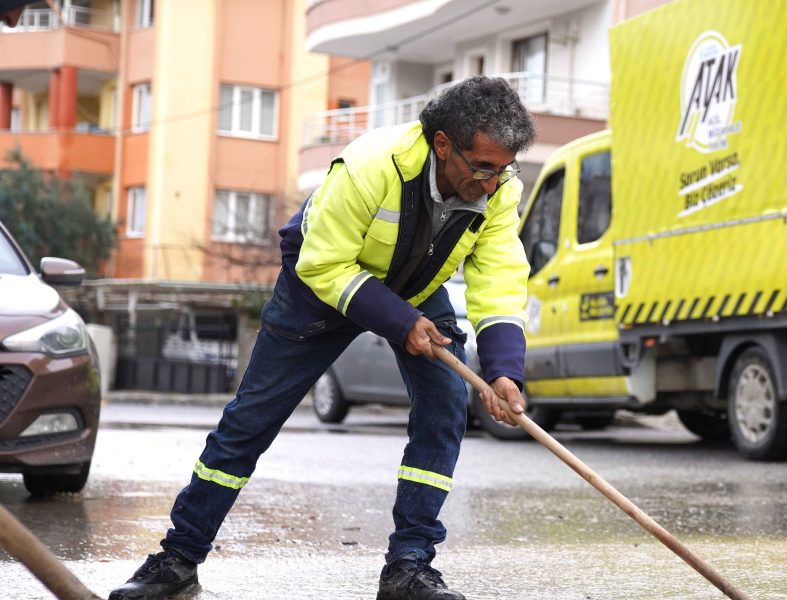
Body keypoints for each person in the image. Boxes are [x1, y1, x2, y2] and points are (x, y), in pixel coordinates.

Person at [109, 77, 536, 600]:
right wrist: (400, 323)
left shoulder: (499, 190)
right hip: (319, 283)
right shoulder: (372, 164)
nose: (493, 183)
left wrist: (502, 372)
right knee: (251, 419)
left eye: (503, 168)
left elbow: (499, 279)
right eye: (483, 167)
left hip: (417, 287)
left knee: (445, 410)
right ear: (443, 144)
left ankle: (410, 566)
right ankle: (177, 559)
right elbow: (322, 262)